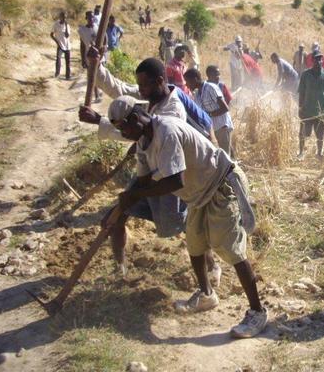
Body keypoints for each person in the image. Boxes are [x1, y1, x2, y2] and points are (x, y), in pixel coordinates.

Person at [108, 96, 267, 337]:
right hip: (198, 195)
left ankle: (257, 312)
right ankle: (206, 295)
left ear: (135, 117)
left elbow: (175, 180)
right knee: (195, 246)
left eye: (123, 127)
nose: (124, 133)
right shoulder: (143, 143)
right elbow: (141, 181)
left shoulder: (167, 131)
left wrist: (136, 194)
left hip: (220, 185)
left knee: (230, 249)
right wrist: (122, 205)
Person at [78, 51, 219, 280]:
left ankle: (212, 267)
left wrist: (99, 121)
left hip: (174, 173)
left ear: (160, 81)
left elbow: (136, 134)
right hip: (151, 171)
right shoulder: (151, 96)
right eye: (139, 85)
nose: (140, 89)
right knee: (118, 214)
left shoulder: (172, 110)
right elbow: (121, 91)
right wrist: (97, 65)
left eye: (144, 85)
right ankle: (120, 270)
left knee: (187, 225)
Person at [185, 68, 234, 156]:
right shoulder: (196, 95)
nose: (186, 85)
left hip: (222, 126)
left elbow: (225, 108)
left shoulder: (210, 87)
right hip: (212, 130)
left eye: (187, 81)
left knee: (226, 158)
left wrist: (208, 115)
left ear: (195, 79)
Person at [298, 50, 324, 159]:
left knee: (320, 135)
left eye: (320, 58)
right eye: (317, 59)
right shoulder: (305, 75)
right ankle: (301, 152)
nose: (319, 61)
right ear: (312, 60)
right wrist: (300, 108)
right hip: (307, 111)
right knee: (303, 133)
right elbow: (301, 92)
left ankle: (319, 153)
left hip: (321, 112)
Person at [78, 11, 102, 102]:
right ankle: (96, 95)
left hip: (99, 55)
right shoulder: (83, 30)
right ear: (86, 18)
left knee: (100, 74)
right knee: (92, 75)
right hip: (89, 56)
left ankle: (99, 91)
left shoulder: (97, 27)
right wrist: (83, 59)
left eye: (92, 17)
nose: (91, 19)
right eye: (89, 18)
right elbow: (83, 45)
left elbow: (104, 38)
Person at [50, 11, 71, 80]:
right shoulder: (56, 24)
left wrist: (66, 27)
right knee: (58, 59)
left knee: (67, 61)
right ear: (60, 17)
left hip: (67, 46)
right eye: (63, 17)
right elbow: (51, 34)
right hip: (60, 45)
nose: (64, 19)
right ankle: (57, 73)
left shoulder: (67, 25)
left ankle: (67, 76)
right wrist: (57, 42)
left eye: (65, 18)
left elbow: (67, 36)